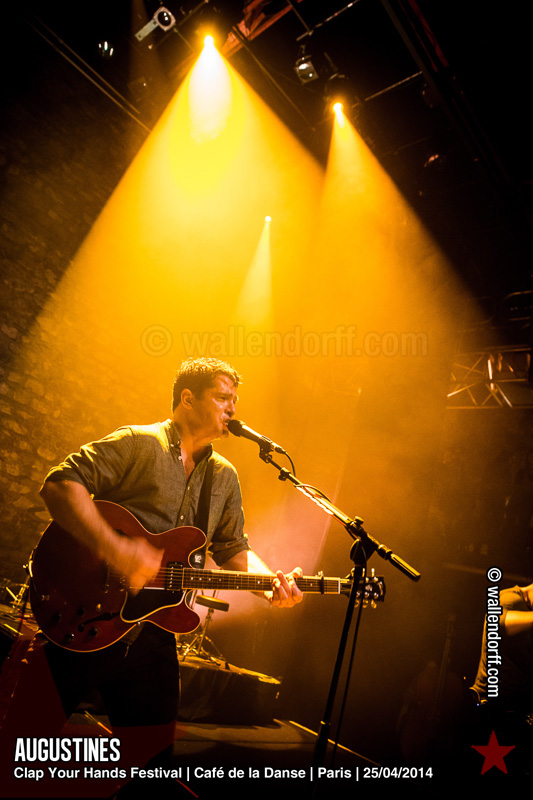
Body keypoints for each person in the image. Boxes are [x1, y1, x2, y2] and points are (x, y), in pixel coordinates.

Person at [1, 357, 302, 796]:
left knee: (151, 772)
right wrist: (117, 550)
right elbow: (60, 484)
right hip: (83, 619)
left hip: (152, 638)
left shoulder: (224, 478)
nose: (232, 408)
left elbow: (233, 548)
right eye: (222, 397)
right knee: (20, 750)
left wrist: (269, 581)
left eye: (235, 400)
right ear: (187, 398)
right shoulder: (138, 444)